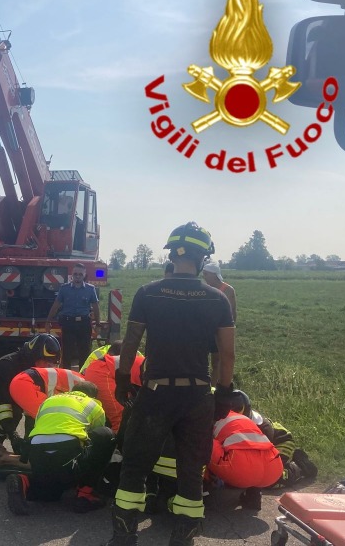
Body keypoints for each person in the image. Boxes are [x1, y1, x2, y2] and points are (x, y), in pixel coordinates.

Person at [110, 222, 236, 546]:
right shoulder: (218, 300)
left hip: (155, 394)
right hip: (197, 396)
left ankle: (124, 535)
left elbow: (130, 342)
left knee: (135, 466)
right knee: (191, 471)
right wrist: (223, 393)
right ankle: (184, 536)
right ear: (203, 256)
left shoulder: (148, 293)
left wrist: (123, 380)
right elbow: (226, 354)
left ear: (172, 253)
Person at [5, 380, 116, 515]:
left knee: (50, 493)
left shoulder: (49, 400)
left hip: (36, 450)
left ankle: (23, 481)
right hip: (67, 449)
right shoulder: (93, 404)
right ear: (93, 396)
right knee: (106, 435)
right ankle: (85, 494)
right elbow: (96, 436)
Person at [0, 334, 62, 453]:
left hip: (11, 397)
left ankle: (30, 447)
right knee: (13, 413)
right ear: (35, 356)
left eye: (53, 363)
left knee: (29, 412)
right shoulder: (7, 365)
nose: (49, 366)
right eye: (47, 362)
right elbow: (2, 403)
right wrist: (13, 436)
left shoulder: (37, 370)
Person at [228, 390, 318, 489]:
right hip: (267, 445)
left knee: (269, 479)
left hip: (281, 441)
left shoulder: (261, 426)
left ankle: (299, 467)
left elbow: (262, 454)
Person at [208, 406, 283, 511]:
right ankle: (253, 496)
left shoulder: (207, 414)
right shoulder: (245, 419)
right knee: (253, 457)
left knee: (204, 441)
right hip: (274, 469)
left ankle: (210, 488)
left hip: (240, 470)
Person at [81, 342, 145, 432]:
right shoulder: (159, 374)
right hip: (102, 372)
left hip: (99, 370)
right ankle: (117, 444)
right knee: (120, 419)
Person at [47, 263, 101, 369]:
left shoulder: (90, 289)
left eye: (80, 274)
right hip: (68, 324)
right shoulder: (64, 289)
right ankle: (66, 377)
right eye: (75, 274)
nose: (77, 276)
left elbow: (96, 307)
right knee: (66, 353)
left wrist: (98, 324)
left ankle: (82, 379)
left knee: (84, 353)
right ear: (72, 274)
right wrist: (48, 321)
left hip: (84, 324)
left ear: (84, 275)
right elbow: (56, 305)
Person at [9, 366, 86, 421]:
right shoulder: (83, 385)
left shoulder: (77, 377)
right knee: (47, 419)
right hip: (26, 383)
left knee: (36, 419)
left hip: (23, 380)